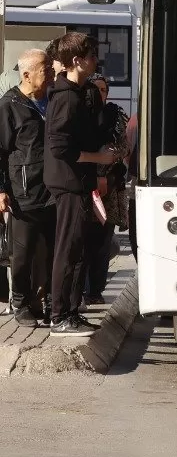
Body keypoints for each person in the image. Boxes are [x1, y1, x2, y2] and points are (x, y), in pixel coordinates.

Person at [43, 33, 118, 337]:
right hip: (68, 182)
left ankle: (71, 311)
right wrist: (97, 157)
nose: (95, 61)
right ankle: (60, 315)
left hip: (78, 181)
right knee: (68, 249)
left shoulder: (80, 92)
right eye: (91, 56)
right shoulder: (65, 97)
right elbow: (60, 147)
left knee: (78, 249)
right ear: (77, 61)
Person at [0, 50, 55, 327]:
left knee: (51, 252)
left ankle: (45, 303)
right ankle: (20, 302)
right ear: (27, 74)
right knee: (22, 253)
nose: (52, 76)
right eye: (47, 71)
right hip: (24, 191)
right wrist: (1, 189)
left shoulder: (52, 99)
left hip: (53, 190)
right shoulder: (9, 105)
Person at [84, 74, 130, 304]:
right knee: (82, 242)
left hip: (109, 191)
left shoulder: (115, 115)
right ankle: (82, 288)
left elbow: (122, 148)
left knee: (102, 243)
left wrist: (106, 175)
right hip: (84, 188)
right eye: (95, 89)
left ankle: (96, 291)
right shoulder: (79, 115)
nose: (100, 94)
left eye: (103, 90)